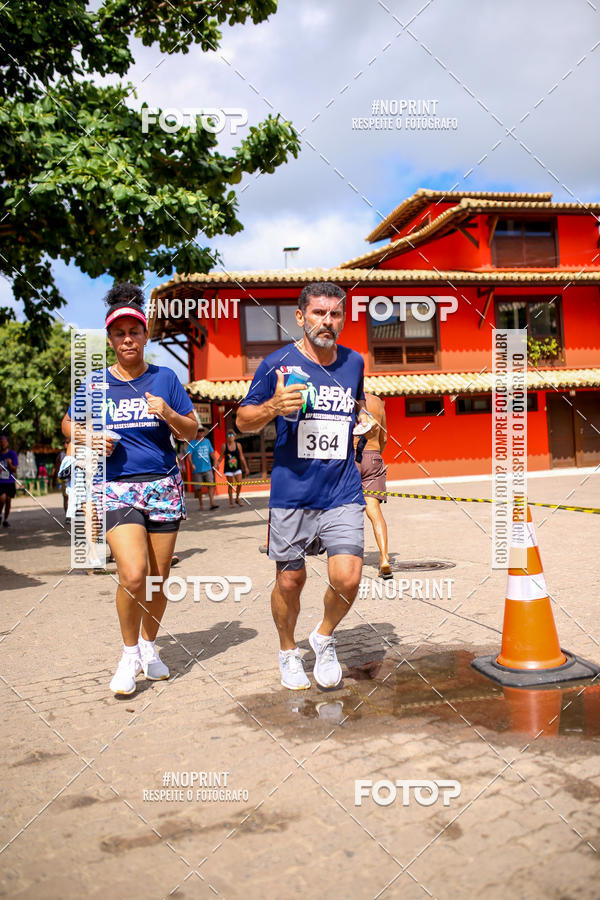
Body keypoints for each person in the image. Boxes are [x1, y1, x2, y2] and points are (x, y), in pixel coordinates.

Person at [61, 282, 198, 696]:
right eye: (119, 333)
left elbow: (191, 431)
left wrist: (168, 412)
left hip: (162, 487)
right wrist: (87, 436)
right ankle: (128, 655)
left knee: (157, 579)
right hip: (116, 487)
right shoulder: (95, 384)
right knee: (133, 573)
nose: (127, 339)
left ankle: (149, 647)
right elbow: (68, 424)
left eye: (134, 332)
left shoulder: (165, 378)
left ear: (145, 335)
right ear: (110, 339)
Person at [237, 282, 372, 691]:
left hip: (342, 490)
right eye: (318, 313)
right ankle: (287, 650)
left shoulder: (354, 363)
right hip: (292, 493)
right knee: (289, 581)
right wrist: (272, 407)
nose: (327, 321)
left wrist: (363, 421)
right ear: (300, 317)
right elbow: (243, 420)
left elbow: (357, 405)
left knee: (348, 578)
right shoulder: (276, 364)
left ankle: (324, 637)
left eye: (335, 314)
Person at [354, 392, 392, 579]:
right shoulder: (378, 402)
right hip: (374, 457)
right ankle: (384, 557)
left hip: (351, 458)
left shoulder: (349, 396)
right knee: (374, 511)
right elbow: (384, 438)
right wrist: (376, 456)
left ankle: (348, 560)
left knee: (348, 510)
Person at [187, 425, 218, 509]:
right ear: (196, 432)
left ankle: (212, 502)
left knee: (211, 485)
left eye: (202, 431)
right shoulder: (192, 443)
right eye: (199, 431)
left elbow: (211, 452)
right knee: (198, 488)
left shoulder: (207, 441)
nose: (201, 432)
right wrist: (191, 464)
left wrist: (215, 461)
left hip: (207, 468)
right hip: (197, 469)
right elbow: (189, 455)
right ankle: (201, 504)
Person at [217, 430, 249, 506]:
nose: (230, 437)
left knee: (239, 483)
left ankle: (237, 498)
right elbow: (221, 457)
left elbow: (241, 456)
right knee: (230, 485)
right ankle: (231, 502)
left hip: (237, 467)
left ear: (234, 436)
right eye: (229, 435)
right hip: (228, 468)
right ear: (226, 437)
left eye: (232, 435)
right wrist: (217, 464)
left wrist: (246, 467)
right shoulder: (224, 446)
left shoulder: (238, 445)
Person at [0, 434, 18, 527]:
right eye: (1, 442)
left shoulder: (12, 454)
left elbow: (14, 469)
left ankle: (6, 519)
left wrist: (10, 464)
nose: (3, 444)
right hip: (1, 482)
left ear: (7, 443)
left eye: (4, 442)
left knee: (8, 500)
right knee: (2, 498)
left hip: (10, 481)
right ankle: (0, 514)